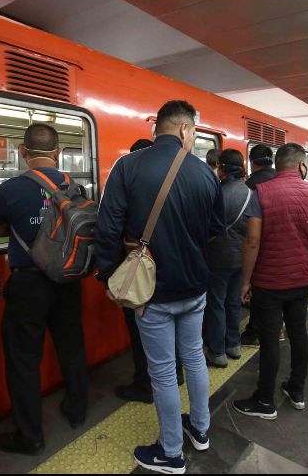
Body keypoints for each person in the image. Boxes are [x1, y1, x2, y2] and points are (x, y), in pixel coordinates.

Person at [95, 100, 225, 474]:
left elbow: (108, 227)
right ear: (185, 129)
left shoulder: (128, 166)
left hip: (151, 292)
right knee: (195, 358)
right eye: (195, 132)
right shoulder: (205, 174)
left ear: (161, 127)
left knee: (164, 372)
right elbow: (216, 230)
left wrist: (107, 275)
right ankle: (200, 430)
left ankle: (170, 453)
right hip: (195, 288)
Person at [0, 123, 88, 456]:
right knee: (71, 345)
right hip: (68, 277)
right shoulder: (75, 186)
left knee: (24, 360)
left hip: (28, 282)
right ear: (58, 153)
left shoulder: (10, 189)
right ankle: (77, 411)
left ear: (23, 151)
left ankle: (30, 436)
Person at [233, 143, 308, 419]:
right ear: (302, 166)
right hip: (301, 280)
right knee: (299, 333)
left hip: (269, 282)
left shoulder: (261, 193)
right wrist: (307, 264)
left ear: (277, 166)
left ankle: (264, 400)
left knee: (270, 338)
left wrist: (246, 281)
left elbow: (252, 241)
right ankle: (296, 390)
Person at [115, 139, 184, 404]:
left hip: (142, 274)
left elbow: (115, 231)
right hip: (175, 272)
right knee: (173, 329)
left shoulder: (130, 191)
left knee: (141, 331)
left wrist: (107, 272)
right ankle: (175, 373)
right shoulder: (178, 187)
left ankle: (145, 385)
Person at [204, 148, 257, 368]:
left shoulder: (217, 194)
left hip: (218, 257)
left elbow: (207, 228)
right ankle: (233, 345)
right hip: (242, 258)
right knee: (234, 302)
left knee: (216, 303)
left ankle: (217, 352)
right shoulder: (251, 193)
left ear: (223, 168)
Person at [241, 143, 282, 348]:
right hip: (279, 246)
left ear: (252, 161)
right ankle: (277, 328)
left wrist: (245, 280)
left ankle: (254, 332)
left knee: (258, 291)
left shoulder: (251, 185)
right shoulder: (280, 179)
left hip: (258, 246)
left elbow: (250, 232)